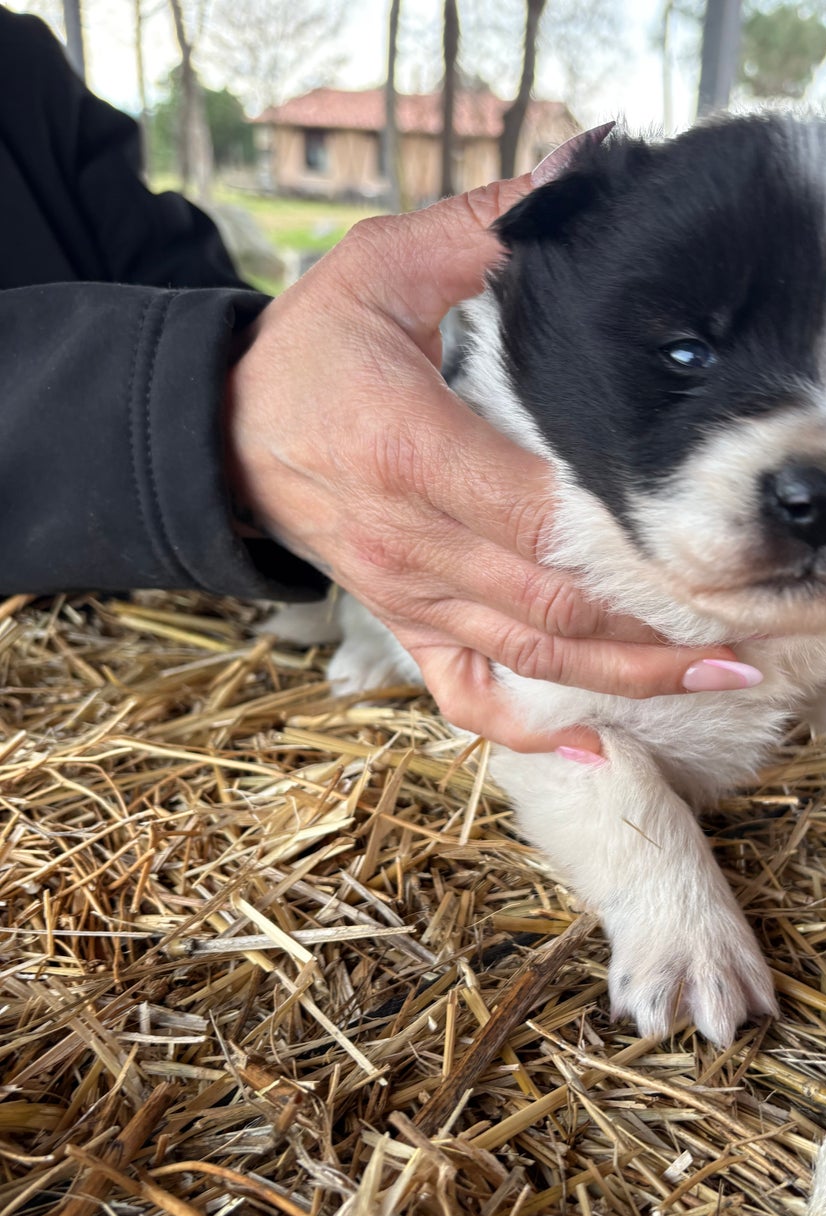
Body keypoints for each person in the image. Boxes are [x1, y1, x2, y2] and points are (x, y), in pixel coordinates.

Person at [0, 6, 755, 753]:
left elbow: (169, 279)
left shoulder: (20, 64)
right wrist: (218, 412)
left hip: (201, 584)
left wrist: (281, 362)